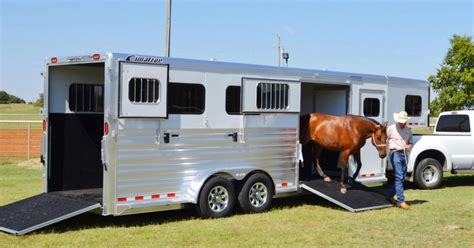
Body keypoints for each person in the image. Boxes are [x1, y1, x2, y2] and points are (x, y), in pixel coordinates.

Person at [386, 111, 413, 209]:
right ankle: (400, 201)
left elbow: (410, 143)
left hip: (405, 154)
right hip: (395, 153)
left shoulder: (408, 130)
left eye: (404, 121)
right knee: (399, 176)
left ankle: (389, 195)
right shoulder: (391, 129)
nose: (403, 122)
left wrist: (408, 146)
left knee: (402, 178)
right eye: (402, 121)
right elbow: (385, 139)